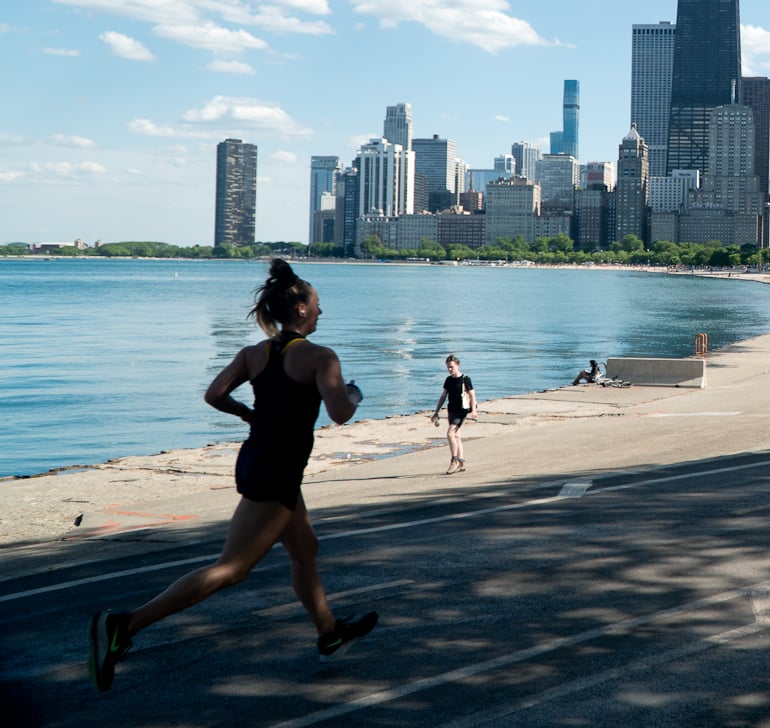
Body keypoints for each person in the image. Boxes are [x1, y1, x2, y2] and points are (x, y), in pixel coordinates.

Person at [88, 260, 376, 693]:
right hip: (278, 471)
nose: (321, 313)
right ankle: (124, 625)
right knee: (234, 568)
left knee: (305, 549)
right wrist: (351, 393)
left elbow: (214, 394)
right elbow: (339, 414)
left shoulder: (253, 355)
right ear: (299, 309)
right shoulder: (320, 357)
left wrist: (247, 413)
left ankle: (330, 633)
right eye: (317, 305)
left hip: (258, 459)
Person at [431, 354, 478, 474]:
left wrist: (473, 410)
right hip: (451, 410)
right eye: (448, 367)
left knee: (450, 433)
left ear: (458, 365)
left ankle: (454, 460)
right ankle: (461, 462)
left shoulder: (465, 379)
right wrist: (436, 412)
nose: (450, 369)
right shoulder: (448, 380)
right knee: (457, 436)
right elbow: (443, 396)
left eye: (451, 367)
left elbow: (472, 395)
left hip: (461, 411)